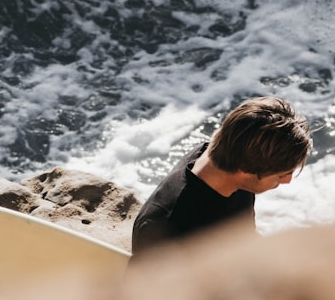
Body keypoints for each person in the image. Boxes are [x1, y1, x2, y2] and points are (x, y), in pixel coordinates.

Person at [130, 96, 312, 259]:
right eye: (281, 175)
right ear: (245, 170)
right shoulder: (169, 231)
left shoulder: (226, 155)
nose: (287, 180)